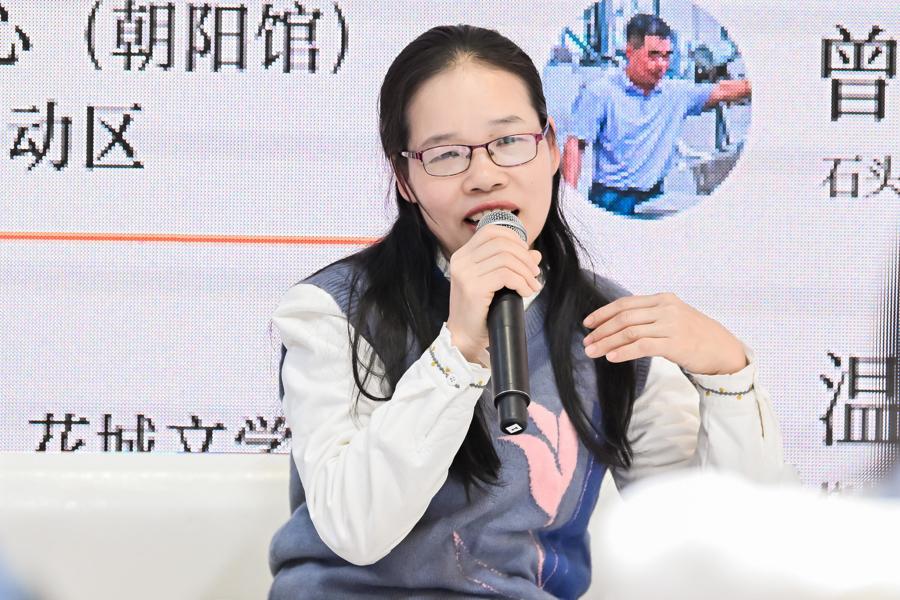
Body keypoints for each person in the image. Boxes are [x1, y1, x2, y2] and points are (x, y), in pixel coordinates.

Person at [269, 24, 789, 599]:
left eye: (509, 141)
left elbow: (716, 558)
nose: (485, 175)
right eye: (446, 154)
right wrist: (458, 352)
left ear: (550, 147)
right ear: (406, 180)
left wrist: (728, 377)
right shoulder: (333, 313)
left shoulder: (610, 330)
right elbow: (355, 529)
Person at [561, 13, 752, 216]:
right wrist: (568, 204)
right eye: (653, 55)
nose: (661, 65)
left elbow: (721, 90)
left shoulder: (676, 93)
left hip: (654, 197)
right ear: (629, 52)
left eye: (666, 56)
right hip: (610, 199)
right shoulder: (600, 93)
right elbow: (575, 144)